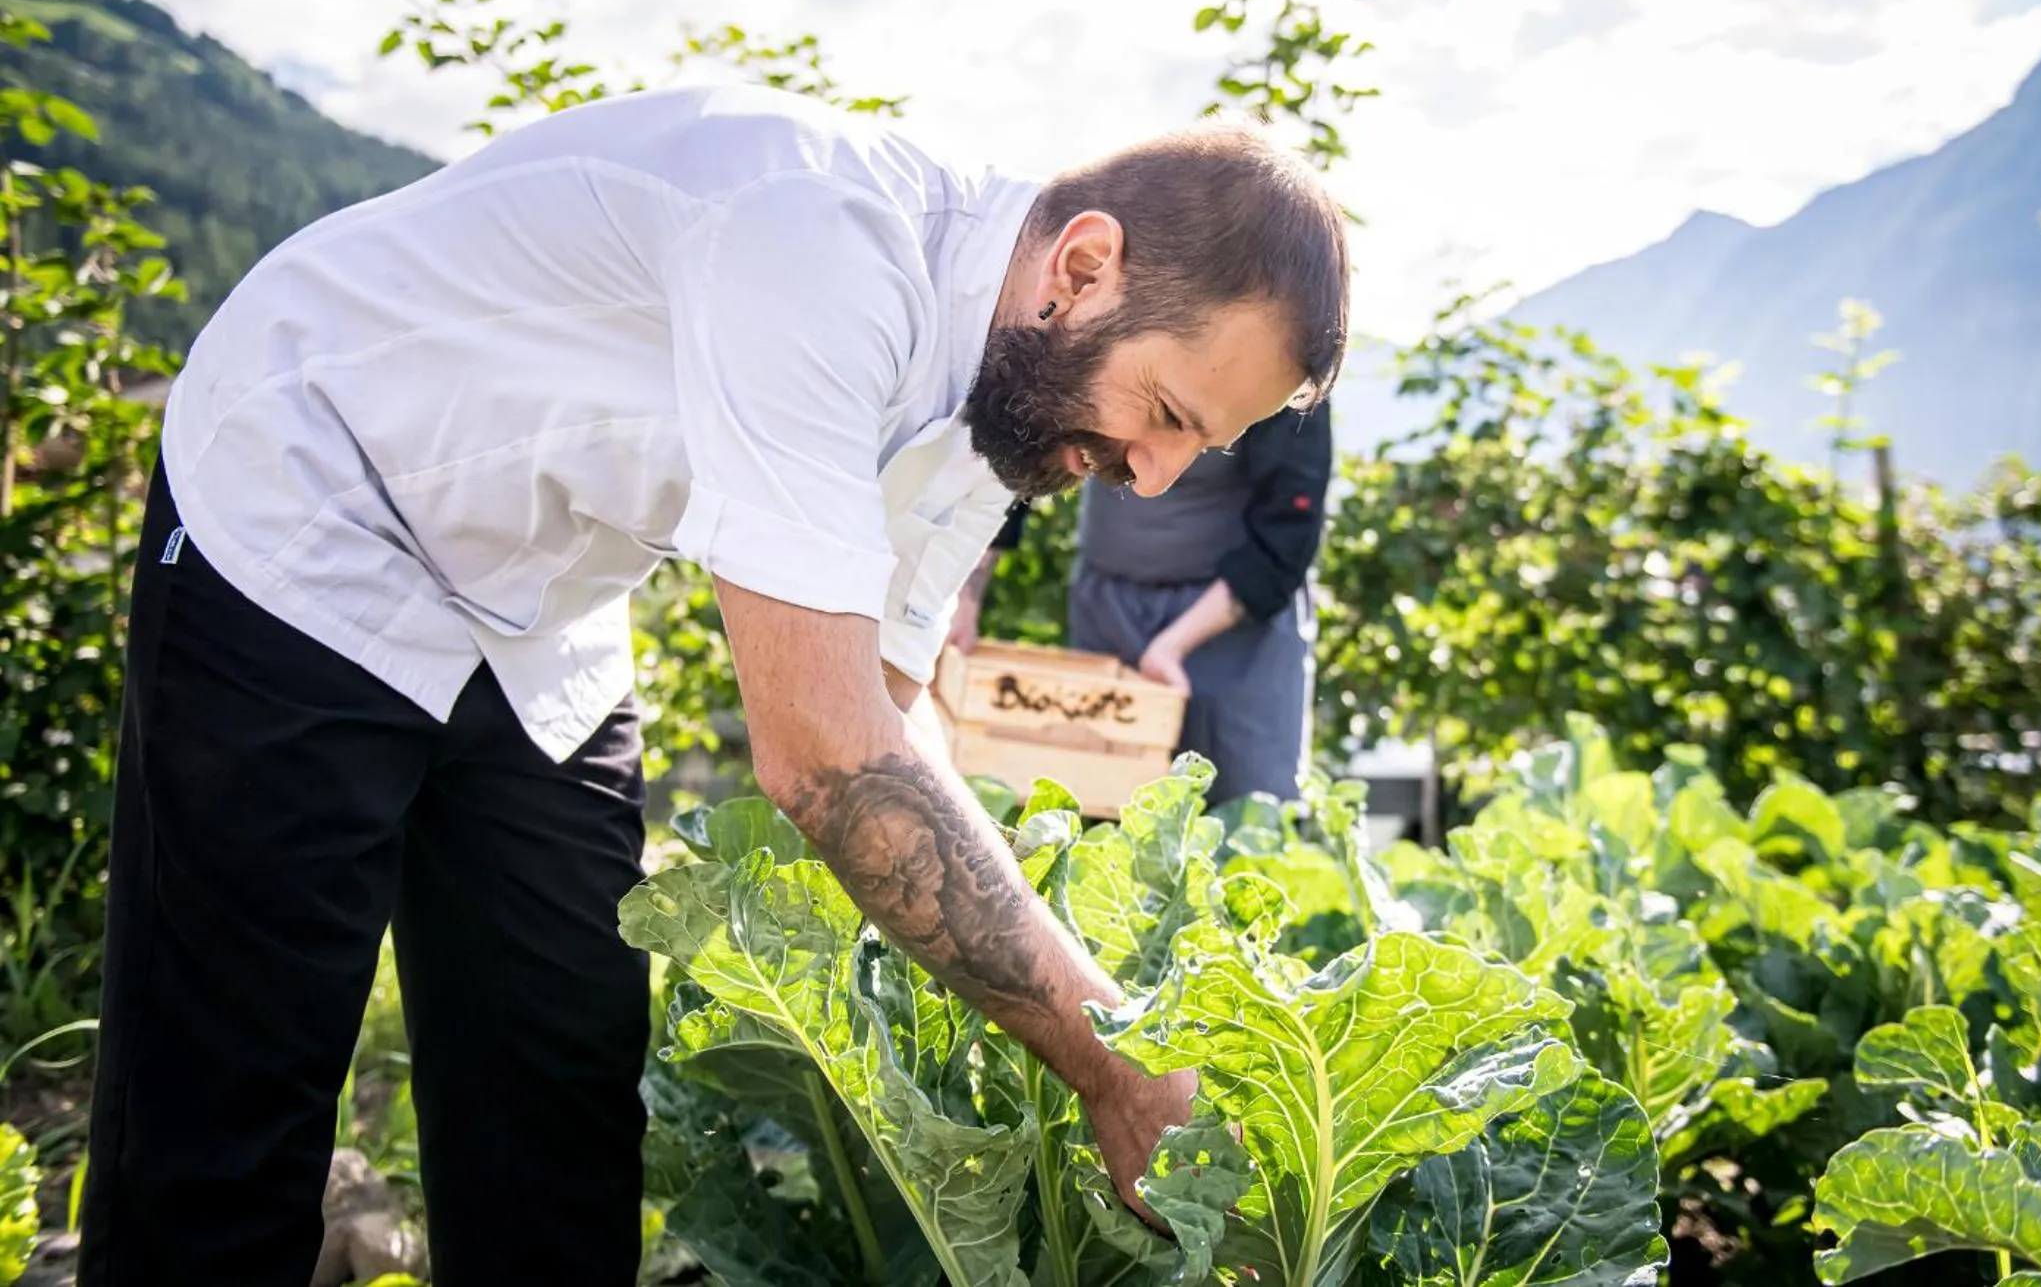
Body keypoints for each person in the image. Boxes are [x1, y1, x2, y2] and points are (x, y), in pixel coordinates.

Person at [77, 82, 1351, 1286]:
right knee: (233, 1095)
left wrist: (1039, 899)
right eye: (1170, 415)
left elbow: (893, 704)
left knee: (560, 1085)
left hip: (540, 605)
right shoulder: (817, 244)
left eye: (1202, 448)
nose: (1154, 478)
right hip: (315, 498)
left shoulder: (1013, 402)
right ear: (1082, 269)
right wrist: (1115, 1062)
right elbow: (827, 757)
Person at [954, 400, 1332, 804]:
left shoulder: (1283, 367)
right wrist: (964, 597)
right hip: (1108, 610)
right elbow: (1022, 451)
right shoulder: (1100, 342)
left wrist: (1174, 644)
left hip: (1232, 625)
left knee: (1244, 810)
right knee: (1098, 798)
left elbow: (1287, 535)